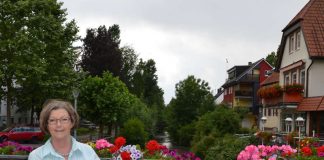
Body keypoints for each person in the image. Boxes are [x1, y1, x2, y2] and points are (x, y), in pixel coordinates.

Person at [28, 99, 100, 160]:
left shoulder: (88, 152)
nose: (58, 124)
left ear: (72, 122)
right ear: (47, 125)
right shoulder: (36, 156)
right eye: (52, 120)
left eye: (64, 119)